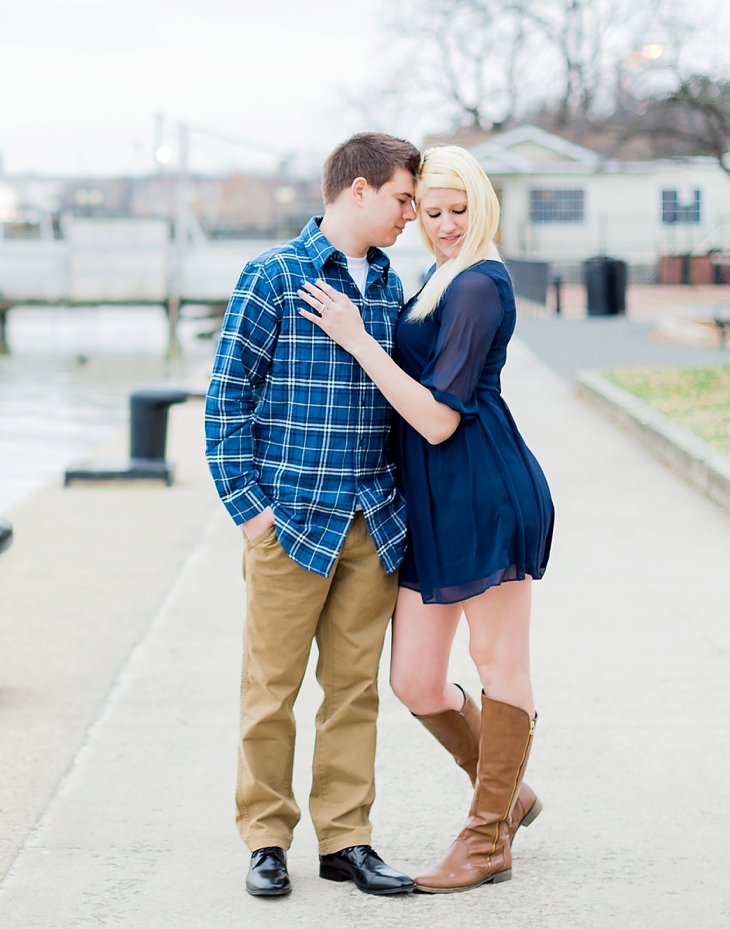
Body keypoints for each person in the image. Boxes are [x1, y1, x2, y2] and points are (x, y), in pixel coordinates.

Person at [295, 143, 553, 894]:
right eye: (428, 210)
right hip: (432, 501)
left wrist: (357, 339)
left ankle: (485, 839)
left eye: (456, 209)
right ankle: (507, 791)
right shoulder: (442, 277)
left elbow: (439, 418)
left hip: (484, 489)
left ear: (482, 205)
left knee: (500, 663)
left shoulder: (478, 285)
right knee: (414, 678)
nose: (440, 224)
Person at [205, 132, 421, 900]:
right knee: (271, 688)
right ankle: (266, 837)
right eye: (402, 199)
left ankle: (346, 838)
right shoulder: (274, 275)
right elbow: (225, 397)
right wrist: (250, 511)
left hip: (371, 519)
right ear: (357, 190)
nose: (410, 216)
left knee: (354, 689)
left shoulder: (394, 286)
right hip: (290, 522)